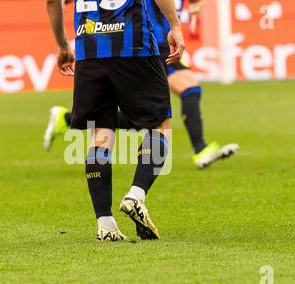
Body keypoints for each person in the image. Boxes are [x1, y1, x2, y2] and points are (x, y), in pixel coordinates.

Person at [46, 0, 185, 241]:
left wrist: (62, 45)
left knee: (100, 132)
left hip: (89, 51)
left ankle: (105, 223)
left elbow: (52, 2)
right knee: (160, 125)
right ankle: (136, 195)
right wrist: (175, 25)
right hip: (135, 47)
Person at [44, 0, 239, 169]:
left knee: (166, 104)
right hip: (146, 44)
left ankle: (68, 118)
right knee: (175, 100)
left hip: (159, 43)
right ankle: (200, 149)